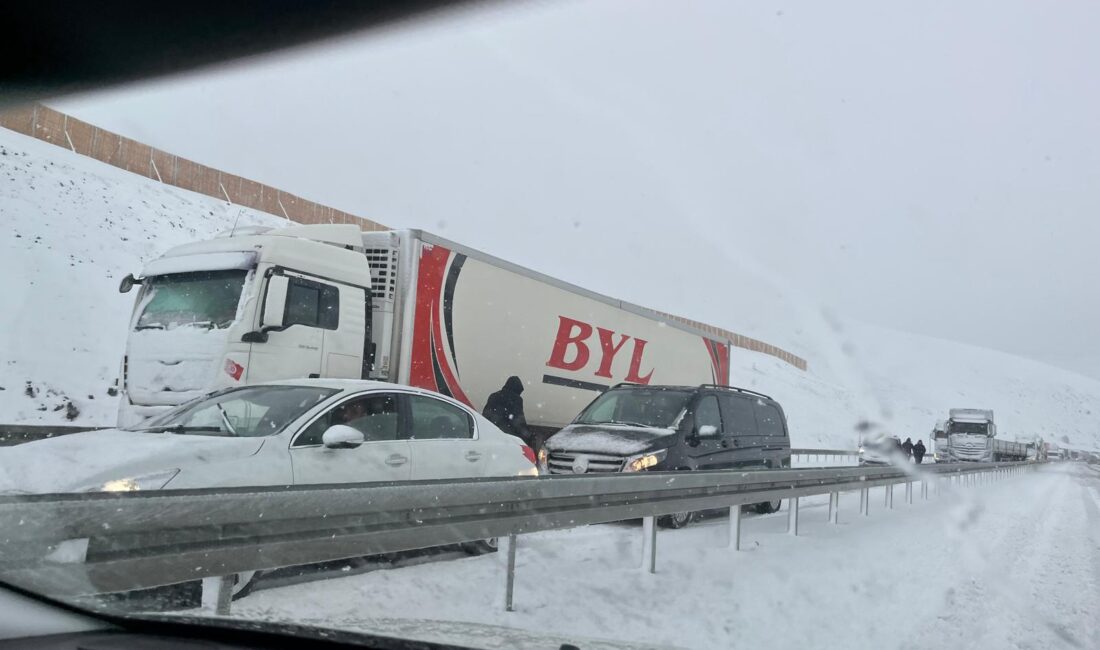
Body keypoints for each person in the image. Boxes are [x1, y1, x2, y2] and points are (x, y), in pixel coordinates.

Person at [483, 376, 533, 447]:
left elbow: (486, 414)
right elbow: (518, 419)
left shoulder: (494, 395)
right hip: (506, 436)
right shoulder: (516, 399)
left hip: (491, 432)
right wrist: (526, 434)